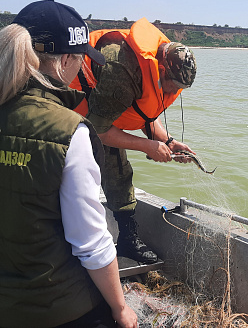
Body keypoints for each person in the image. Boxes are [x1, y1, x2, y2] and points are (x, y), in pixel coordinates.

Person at [0, 0, 137, 327]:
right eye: (81, 58)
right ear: (66, 61)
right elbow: (92, 245)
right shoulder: (68, 130)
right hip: (58, 312)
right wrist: (120, 308)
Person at [69, 18, 197, 264]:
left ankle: (127, 240)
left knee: (119, 172)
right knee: (77, 175)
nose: (171, 93)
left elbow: (144, 113)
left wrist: (168, 142)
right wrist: (148, 146)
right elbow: (100, 130)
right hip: (73, 109)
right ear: (162, 69)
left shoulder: (159, 65)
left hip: (105, 109)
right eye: (172, 86)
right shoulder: (122, 71)